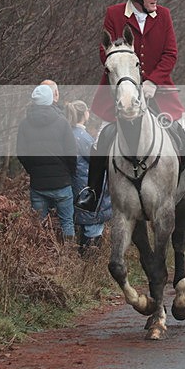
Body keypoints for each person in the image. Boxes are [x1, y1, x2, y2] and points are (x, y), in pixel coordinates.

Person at [75, 0, 185, 211]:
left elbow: (170, 53)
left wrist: (152, 81)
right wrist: (126, 78)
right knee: (101, 139)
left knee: (183, 133)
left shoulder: (163, 15)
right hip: (120, 91)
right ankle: (92, 193)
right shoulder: (114, 14)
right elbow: (105, 52)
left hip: (159, 90)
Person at [17, 84, 77, 240]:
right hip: (62, 183)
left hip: (38, 185)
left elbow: (21, 154)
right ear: (51, 100)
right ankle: (67, 253)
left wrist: (33, 171)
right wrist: (69, 173)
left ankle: (43, 252)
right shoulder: (63, 122)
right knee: (67, 223)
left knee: (39, 227)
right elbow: (72, 154)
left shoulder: (24, 125)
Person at [65, 100, 112, 256]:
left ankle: (84, 259)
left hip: (76, 184)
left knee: (84, 225)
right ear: (84, 114)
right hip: (87, 186)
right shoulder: (82, 137)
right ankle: (90, 261)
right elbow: (96, 160)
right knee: (93, 226)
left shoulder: (69, 134)